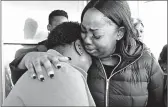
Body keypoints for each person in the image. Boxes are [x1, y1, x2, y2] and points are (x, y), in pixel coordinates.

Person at [9, 1, 164, 107]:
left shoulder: (146, 61)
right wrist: (27, 59)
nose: (87, 40)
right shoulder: (80, 53)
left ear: (119, 33)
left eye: (96, 35)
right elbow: (33, 80)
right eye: (83, 30)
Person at [3, 22, 95, 106]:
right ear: (79, 47)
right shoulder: (63, 72)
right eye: (90, 46)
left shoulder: (49, 69)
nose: (94, 55)